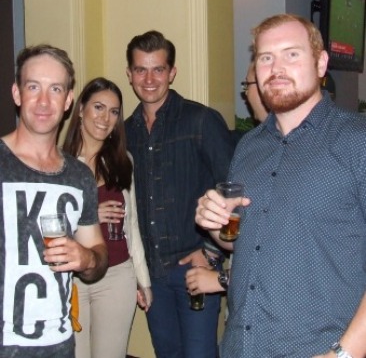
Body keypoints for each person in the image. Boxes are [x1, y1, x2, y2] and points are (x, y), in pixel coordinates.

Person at [195, 13, 366, 358]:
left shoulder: (357, 141)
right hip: (240, 347)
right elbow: (246, 244)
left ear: (320, 64)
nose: (276, 68)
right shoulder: (248, 147)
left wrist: (345, 354)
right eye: (265, 57)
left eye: (291, 54)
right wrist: (216, 224)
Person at [124, 30, 236, 358]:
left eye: (158, 69)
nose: (149, 79)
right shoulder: (124, 131)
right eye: (140, 69)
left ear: (172, 72)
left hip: (194, 270)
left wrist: (212, 253)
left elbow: (234, 192)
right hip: (151, 274)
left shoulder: (201, 121)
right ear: (129, 73)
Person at [0, 44, 108, 358]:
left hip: (58, 345)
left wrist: (86, 258)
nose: (44, 101)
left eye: (55, 89)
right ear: (17, 94)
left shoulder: (79, 176)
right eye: (34, 87)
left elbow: (97, 254)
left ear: (68, 101)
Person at [63, 77, 152, 358]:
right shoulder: (59, 162)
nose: (105, 118)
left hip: (117, 276)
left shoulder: (122, 160)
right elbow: (45, 228)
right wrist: (90, 215)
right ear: (80, 109)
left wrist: (143, 280)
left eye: (114, 111)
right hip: (72, 278)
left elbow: (132, 223)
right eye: (98, 107)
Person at [186, 62, 268, 297]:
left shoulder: (315, 147)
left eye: (248, 85)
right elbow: (240, 240)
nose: (246, 94)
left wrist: (220, 279)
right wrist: (212, 223)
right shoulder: (250, 146)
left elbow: (287, 256)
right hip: (245, 312)